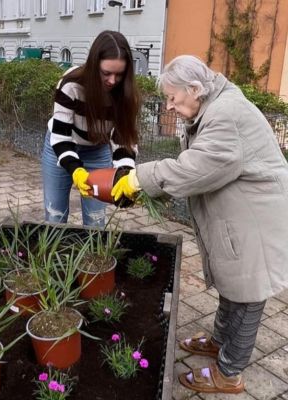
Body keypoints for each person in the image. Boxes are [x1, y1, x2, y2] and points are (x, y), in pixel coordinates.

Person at [112, 55, 288, 393]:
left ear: (195, 89)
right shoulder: (215, 106)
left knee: (248, 297)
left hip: (257, 223)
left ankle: (229, 373)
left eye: (172, 97)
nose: (169, 105)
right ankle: (219, 341)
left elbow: (197, 167)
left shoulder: (226, 114)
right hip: (241, 217)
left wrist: (140, 179)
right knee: (231, 286)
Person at [42, 30, 139, 227]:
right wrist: (76, 170)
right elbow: (61, 138)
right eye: (106, 73)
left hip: (96, 150)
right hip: (61, 146)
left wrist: (126, 172)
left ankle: (93, 257)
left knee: (96, 222)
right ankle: (55, 256)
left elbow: (124, 140)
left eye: (119, 74)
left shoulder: (125, 95)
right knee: (55, 217)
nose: (112, 80)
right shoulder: (71, 85)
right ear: (95, 66)